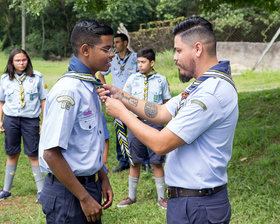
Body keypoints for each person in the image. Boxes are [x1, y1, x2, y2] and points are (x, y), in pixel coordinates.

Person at [98, 16, 238, 224]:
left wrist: (122, 114)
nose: (174, 57)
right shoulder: (200, 85)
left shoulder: (212, 93)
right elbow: (162, 112)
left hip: (198, 205)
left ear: (197, 49)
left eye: (179, 50)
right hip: (188, 200)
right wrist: (122, 96)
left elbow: (161, 143)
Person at [38, 20, 114, 223]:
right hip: (68, 193)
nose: (112, 54)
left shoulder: (89, 86)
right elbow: (51, 154)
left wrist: (103, 178)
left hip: (88, 186)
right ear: (85, 50)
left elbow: (85, 143)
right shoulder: (69, 91)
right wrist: (84, 197)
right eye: (107, 49)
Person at [117, 48, 171, 209]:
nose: (139, 65)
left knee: (156, 162)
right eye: (138, 62)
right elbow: (124, 99)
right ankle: (131, 197)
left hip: (156, 125)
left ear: (152, 62)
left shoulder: (161, 80)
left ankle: (162, 198)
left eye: (143, 62)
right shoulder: (132, 79)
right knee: (134, 162)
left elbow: (167, 103)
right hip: (136, 124)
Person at [0, 48, 48, 201]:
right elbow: (1, 102)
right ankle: (6, 190)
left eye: (24, 60)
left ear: (28, 61)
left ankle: (41, 191)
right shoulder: (5, 79)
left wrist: (44, 121)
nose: (21, 63)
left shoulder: (37, 77)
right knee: (12, 153)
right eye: (17, 60)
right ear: (12, 62)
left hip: (30, 120)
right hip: (11, 119)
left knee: (33, 154)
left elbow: (43, 100)